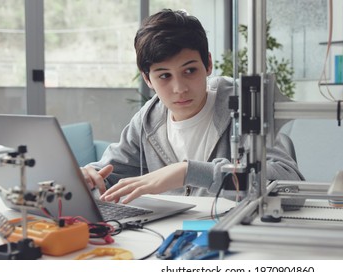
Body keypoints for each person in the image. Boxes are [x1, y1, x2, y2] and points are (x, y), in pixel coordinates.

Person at [81, 9, 303, 204]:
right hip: (168, 239)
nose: (179, 88)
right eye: (164, 76)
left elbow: (291, 188)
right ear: (148, 79)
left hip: (229, 237)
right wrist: (91, 176)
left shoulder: (243, 104)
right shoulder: (148, 120)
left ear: (208, 63)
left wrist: (189, 172)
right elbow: (109, 172)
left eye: (189, 71)